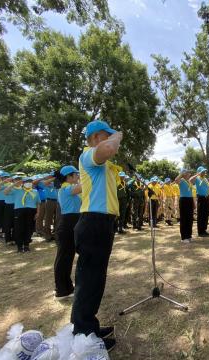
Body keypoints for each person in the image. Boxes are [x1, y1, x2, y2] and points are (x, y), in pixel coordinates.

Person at [70, 119, 122, 351]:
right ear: (94, 138)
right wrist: (118, 135)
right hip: (93, 222)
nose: (110, 138)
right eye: (105, 134)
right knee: (89, 280)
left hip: (102, 223)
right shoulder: (88, 155)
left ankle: (88, 325)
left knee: (95, 280)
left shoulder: (103, 166)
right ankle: (84, 333)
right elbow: (109, 148)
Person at [54, 165, 82, 301]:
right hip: (67, 224)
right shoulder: (65, 189)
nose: (78, 177)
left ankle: (67, 287)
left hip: (73, 222)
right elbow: (84, 186)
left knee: (68, 257)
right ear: (69, 176)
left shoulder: (70, 188)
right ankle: (61, 290)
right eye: (76, 174)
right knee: (63, 257)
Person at [4, 176, 41, 252]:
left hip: (31, 210)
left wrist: (38, 212)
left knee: (29, 228)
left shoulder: (35, 191)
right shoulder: (17, 190)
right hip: (19, 210)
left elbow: (38, 203)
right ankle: (19, 246)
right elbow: (5, 192)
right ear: (23, 183)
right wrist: (14, 184)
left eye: (30, 182)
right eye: (27, 182)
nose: (29, 183)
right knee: (19, 228)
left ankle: (26, 245)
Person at [174, 168, 197, 243]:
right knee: (184, 218)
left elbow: (191, 193)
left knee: (190, 218)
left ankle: (189, 235)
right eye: (187, 173)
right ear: (184, 174)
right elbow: (176, 180)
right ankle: (184, 237)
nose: (189, 174)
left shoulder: (189, 182)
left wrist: (193, 203)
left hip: (189, 200)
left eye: (189, 173)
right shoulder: (181, 180)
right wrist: (181, 174)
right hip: (183, 200)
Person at [194, 166, 209, 236]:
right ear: (199, 172)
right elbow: (190, 179)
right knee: (201, 215)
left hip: (206, 198)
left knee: (205, 214)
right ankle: (200, 232)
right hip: (201, 198)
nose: (204, 172)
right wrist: (197, 174)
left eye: (204, 171)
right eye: (202, 171)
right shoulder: (197, 178)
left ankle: (204, 230)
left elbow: (207, 187)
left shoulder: (205, 179)